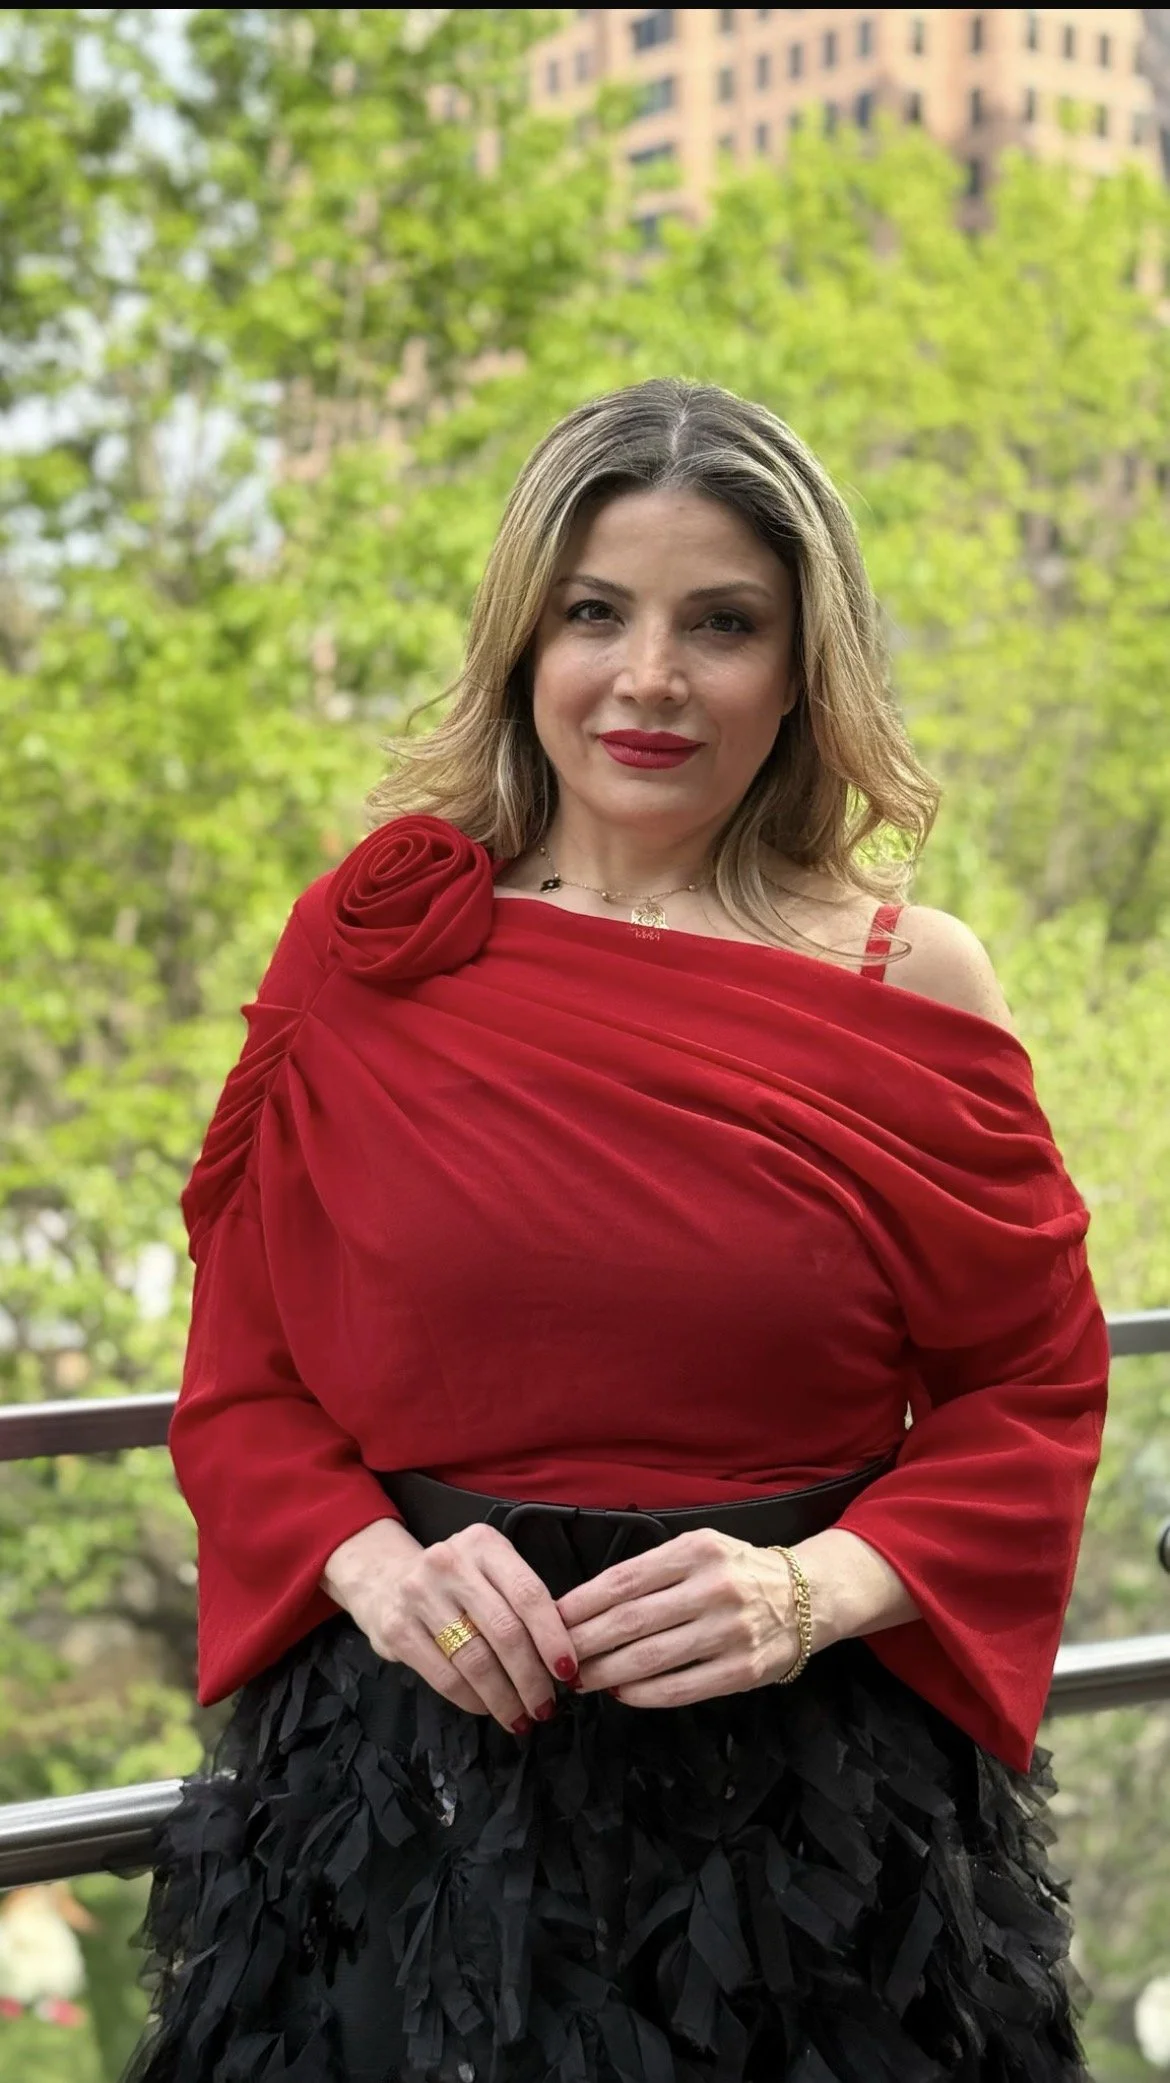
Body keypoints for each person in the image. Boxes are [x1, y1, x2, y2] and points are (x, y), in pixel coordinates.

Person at [124, 377, 1108, 2083]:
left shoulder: (910, 979)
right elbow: (245, 1383)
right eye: (596, 613)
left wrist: (809, 1588)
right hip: (406, 1790)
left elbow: (1025, 1398)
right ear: (525, 643)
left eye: (718, 623)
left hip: (800, 1825)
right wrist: (377, 1566)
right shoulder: (370, 944)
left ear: (804, 668)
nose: (647, 677)